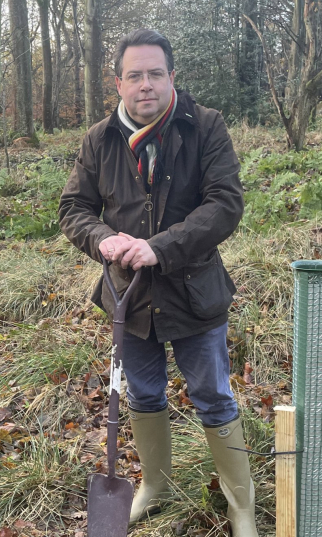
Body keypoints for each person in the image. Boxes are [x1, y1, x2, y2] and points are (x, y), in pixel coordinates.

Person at [58, 30, 258, 536]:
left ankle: (241, 505)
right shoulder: (99, 139)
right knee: (144, 396)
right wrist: (101, 238)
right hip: (130, 298)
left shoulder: (205, 126)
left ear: (172, 77)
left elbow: (225, 204)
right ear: (118, 83)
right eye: (134, 76)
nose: (145, 85)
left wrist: (161, 247)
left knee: (212, 394)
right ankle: (156, 486)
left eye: (155, 74)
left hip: (195, 292)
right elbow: (74, 209)